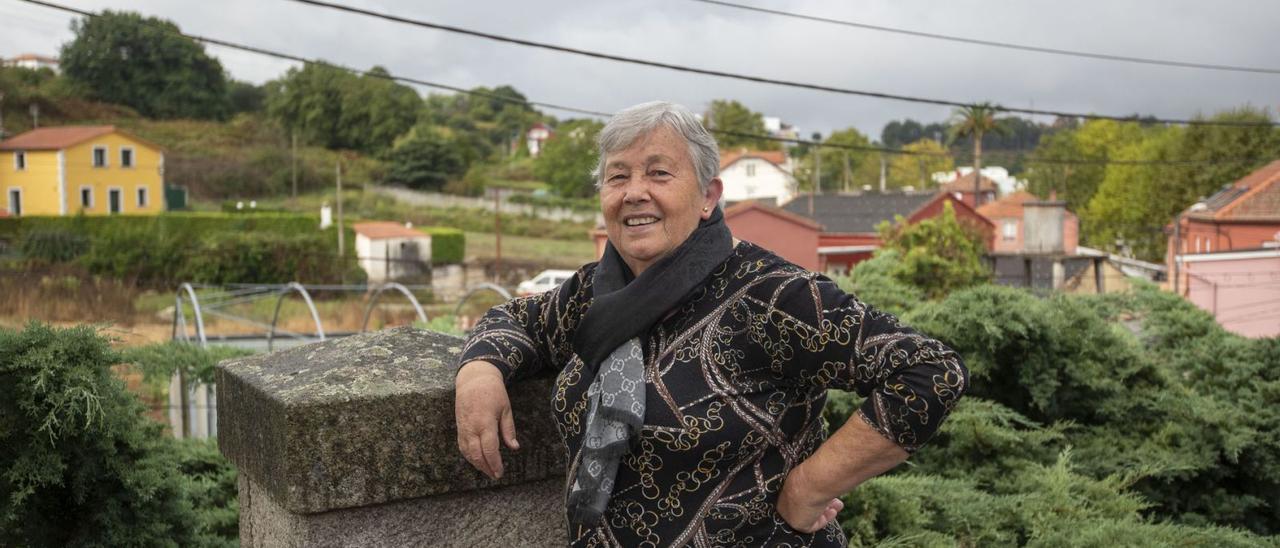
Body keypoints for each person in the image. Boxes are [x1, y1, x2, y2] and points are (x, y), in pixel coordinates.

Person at [454, 101, 968, 547]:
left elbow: (929, 372)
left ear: (707, 196)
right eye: (618, 176)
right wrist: (480, 371)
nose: (635, 192)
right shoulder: (596, 290)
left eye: (659, 173)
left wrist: (808, 489)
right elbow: (516, 319)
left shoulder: (772, 295)